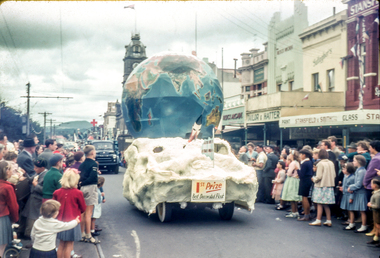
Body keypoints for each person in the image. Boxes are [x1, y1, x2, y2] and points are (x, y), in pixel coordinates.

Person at [53, 169, 86, 258]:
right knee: (69, 245)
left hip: (60, 221)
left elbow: (53, 207)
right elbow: (83, 208)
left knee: (61, 244)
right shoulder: (78, 193)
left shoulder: (57, 192)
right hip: (73, 221)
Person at [21, 158, 48, 238]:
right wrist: (25, 174)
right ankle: (24, 232)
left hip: (38, 200)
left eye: (36, 167)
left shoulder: (45, 176)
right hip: (32, 198)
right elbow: (31, 180)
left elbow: (44, 190)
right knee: (27, 215)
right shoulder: (38, 173)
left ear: (42, 168)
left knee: (33, 218)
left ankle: (29, 235)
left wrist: (36, 185)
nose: (34, 169)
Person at [79, 145, 100, 244]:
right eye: (95, 150)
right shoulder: (94, 164)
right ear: (92, 152)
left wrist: (81, 184)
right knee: (89, 213)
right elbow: (92, 178)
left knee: (82, 213)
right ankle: (88, 235)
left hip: (82, 188)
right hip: (90, 187)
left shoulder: (82, 164)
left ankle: (81, 233)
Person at [309, 149, 336, 227]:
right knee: (326, 204)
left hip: (321, 185)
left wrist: (313, 179)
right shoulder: (331, 163)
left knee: (319, 203)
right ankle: (328, 220)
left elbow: (319, 176)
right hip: (329, 185)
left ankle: (318, 220)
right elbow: (334, 175)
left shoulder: (320, 164)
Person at [0, 161, 19, 257]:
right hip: (2, 218)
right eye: (11, 169)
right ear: (6, 171)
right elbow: (13, 206)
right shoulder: (7, 187)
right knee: (1, 247)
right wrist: (14, 219)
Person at [347, 155, 368, 233]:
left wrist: (350, 187)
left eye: (354, 160)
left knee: (362, 210)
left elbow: (359, 184)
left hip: (361, 193)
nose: (353, 162)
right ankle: (358, 225)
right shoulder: (359, 170)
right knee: (360, 210)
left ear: (359, 162)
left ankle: (364, 226)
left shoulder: (361, 171)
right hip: (359, 193)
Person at [363, 140, 380, 237]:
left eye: (370, 147)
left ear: (374, 147)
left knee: (373, 210)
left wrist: (365, 182)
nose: (369, 149)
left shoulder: (376, 159)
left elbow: (369, 173)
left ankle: (374, 230)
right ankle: (374, 229)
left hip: (371, 185)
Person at [281, 151, 301, 218]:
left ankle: (293, 212)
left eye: (290, 154)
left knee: (292, 197)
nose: (289, 155)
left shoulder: (292, 163)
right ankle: (296, 212)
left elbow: (289, 173)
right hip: (296, 180)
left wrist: (287, 172)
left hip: (291, 180)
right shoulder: (297, 162)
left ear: (292, 155)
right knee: (295, 197)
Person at [297, 149, 314, 221]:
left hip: (304, 181)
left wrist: (297, 169)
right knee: (306, 198)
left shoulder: (304, 163)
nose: (300, 156)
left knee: (304, 198)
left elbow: (301, 175)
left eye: (301, 154)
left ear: (304, 155)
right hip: (308, 180)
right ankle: (308, 214)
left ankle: (306, 215)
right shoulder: (310, 162)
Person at [340, 163, 356, 230]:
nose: (342, 170)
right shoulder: (345, 176)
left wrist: (351, 197)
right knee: (348, 209)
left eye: (344, 169)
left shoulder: (352, 178)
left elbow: (351, 189)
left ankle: (352, 223)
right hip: (346, 194)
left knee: (350, 209)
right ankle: (349, 220)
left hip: (349, 195)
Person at [367, 176, 380, 247]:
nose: (370, 185)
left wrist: (370, 205)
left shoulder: (378, 195)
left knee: (378, 226)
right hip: (375, 212)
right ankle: (376, 239)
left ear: (375, 186)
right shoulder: (375, 193)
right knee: (377, 225)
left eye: (371, 184)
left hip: (377, 213)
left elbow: (378, 206)